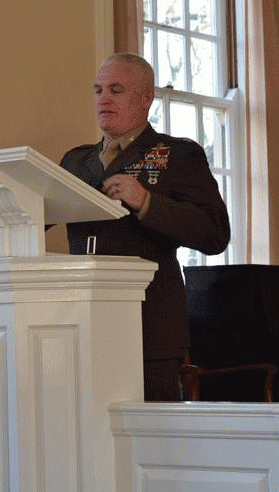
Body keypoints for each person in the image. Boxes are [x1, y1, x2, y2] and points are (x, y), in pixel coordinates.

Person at [60, 53, 231, 401]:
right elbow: (36, 210)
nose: (103, 99)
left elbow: (215, 233)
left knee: (150, 439)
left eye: (116, 90)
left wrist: (147, 202)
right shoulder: (76, 161)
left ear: (145, 98)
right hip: (82, 323)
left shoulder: (176, 155)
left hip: (149, 327)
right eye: (98, 90)